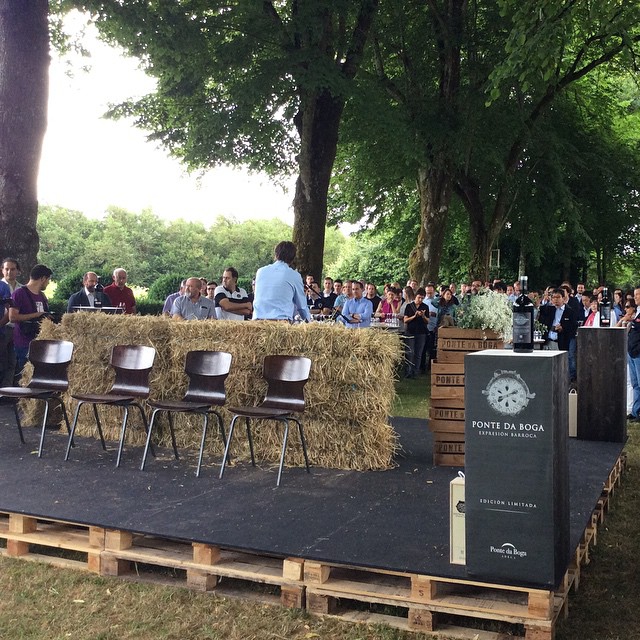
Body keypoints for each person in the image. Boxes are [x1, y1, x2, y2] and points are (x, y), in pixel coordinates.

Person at [9, 264, 53, 381]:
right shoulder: (19, 293)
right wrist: (36, 315)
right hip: (23, 342)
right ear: (43, 278)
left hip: (39, 342)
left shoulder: (42, 296)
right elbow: (12, 317)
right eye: (48, 280)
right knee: (23, 377)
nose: (48, 283)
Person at [252, 241, 311, 322]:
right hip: (281, 322)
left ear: (276, 255)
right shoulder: (294, 275)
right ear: (293, 258)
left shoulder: (260, 271)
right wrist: (309, 323)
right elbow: (302, 307)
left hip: (258, 320)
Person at [0, 258, 21, 386]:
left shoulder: (21, 288)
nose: (9, 272)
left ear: (18, 271)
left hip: (17, 328)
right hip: (3, 327)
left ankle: (7, 390)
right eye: (6, 269)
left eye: (12, 269)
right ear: (2, 270)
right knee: (2, 360)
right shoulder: (1, 286)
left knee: (13, 361)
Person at [404, 287, 430, 378]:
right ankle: (408, 371)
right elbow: (405, 320)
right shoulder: (409, 306)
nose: (420, 300)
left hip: (421, 332)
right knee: (409, 352)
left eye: (422, 298)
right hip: (410, 332)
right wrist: (414, 316)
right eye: (419, 297)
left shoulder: (425, 307)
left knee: (418, 353)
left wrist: (423, 316)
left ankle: (415, 372)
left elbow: (428, 321)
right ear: (415, 297)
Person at [627, 288, 640, 422]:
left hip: (638, 353)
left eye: (637, 295)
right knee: (635, 383)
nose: (635, 297)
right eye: (635, 294)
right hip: (631, 352)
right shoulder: (637, 312)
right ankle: (636, 411)